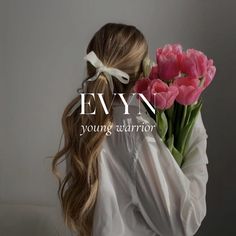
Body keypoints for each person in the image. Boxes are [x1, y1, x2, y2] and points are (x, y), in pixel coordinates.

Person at [52, 22, 209, 236]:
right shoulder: (135, 132)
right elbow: (184, 224)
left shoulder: (83, 122)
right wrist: (196, 133)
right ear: (141, 71)